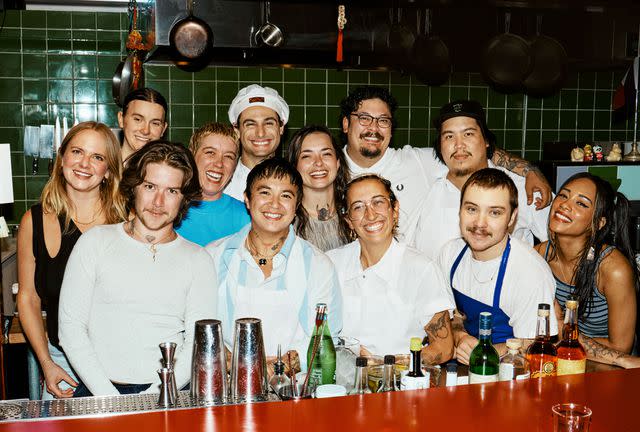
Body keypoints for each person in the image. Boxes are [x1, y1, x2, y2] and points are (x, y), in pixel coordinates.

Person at [59, 140, 217, 397]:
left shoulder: (198, 259)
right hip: (97, 390)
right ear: (135, 188)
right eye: (150, 186)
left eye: (171, 191)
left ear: (183, 199)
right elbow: (70, 328)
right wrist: (109, 398)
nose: (158, 201)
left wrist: (155, 396)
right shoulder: (95, 242)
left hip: (169, 393)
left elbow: (198, 343)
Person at [339, 86, 552, 248]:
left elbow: (565, 240)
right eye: (365, 118)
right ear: (346, 124)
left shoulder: (416, 162)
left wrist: (530, 170)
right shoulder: (329, 170)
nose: (374, 128)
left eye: (383, 120)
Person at [16, 122, 127, 399]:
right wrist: (47, 363)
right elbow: (28, 299)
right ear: (61, 158)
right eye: (77, 151)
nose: (84, 163)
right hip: (61, 365)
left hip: (121, 364)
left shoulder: (127, 221)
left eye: (97, 157)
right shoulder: (35, 221)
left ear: (108, 171)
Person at [206, 157, 342, 367]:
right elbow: (200, 324)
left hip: (296, 389)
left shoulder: (318, 264)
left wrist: (289, 364)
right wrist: (235, 363)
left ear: (296, 206)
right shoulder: (214, 256)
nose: (274, 204)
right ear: (247, 199)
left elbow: (329, 335)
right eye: (265, 193)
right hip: (229, 384)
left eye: (285, 196)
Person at [327, 174, 455, 362]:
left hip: (400, 385)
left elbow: (444, 348)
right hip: (343, 383)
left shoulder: (421, 269)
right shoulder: (332, 263)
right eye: (358, 207)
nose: (370, 215)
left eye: (378, 202)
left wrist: (386, 366)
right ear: (349, 221)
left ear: (394, 210)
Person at [436, 168, 557, 364]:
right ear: (459, 210)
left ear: (511, 218)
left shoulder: (529, 273)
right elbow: (451, 315)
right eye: (472, 209)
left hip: (511, 375)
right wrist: (460, 336)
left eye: (494, 212)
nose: (479, 223)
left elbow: (535, 344)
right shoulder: (450, 254)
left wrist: (487, 351)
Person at [414, 100, 549, 259]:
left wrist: (527, 262)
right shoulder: (424, 177)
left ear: (486, 141)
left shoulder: (522, 188)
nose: (459, 145)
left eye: (468, 134)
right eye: (449, 136)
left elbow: (566, 238)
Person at [536, 172, 639, 359]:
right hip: (565, 361)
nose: (565, 205)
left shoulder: (613, 269)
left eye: (581, 203)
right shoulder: (538, 257)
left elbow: (621, 347)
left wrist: (561, 334)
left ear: (599, 223)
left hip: (610, 370)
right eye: (563, 195)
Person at [176, 122, 250, 246]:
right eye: (210, 152)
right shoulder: (169, 207)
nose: (219, 163)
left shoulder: (247, 217)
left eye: (228, 156)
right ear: (191, 155)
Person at [287, 125, 351, 251]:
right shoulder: (285, 221)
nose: (318, 162)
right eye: (306, 156)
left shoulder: (355, 215)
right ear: (294, 166)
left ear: (337, 162)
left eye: (326, 154)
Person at [224, 84, 289, 201]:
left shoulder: (295, 182)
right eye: (250, 124)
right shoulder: (222, 185)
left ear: (281, 128)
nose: (260, 133)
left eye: (269, 123)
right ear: (237, 130)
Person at [118, 88, 168, 161]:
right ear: (121, 120)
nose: (146, 131)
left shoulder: (169, 170)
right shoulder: (103, 168)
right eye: (138, 119)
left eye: (155, 123)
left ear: (163, 129)